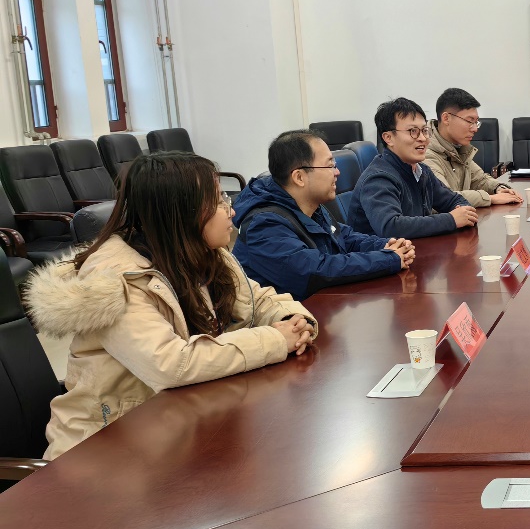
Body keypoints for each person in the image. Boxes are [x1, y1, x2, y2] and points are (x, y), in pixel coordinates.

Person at [24, 151, 318, 459]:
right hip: (104, 450)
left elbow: (257, 299)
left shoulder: (203, 253)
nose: (231, 210)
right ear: (180, 212)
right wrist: (275, 339)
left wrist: (295, 320)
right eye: (218, 201)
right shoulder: (115, 280)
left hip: (176, 426)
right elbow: (171, 364)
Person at [231, 129, 415, 300]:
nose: (337, 172)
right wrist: (388, 259)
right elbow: (315, 271)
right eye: (330, 166)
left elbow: (344, 238)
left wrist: (386, 245)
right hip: (287, 320)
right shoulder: (264, 224)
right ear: (299, 177)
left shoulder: (308, 204)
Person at [346, 97, 479, 238]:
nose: (423, 138)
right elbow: (391, 227)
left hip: (417, 248)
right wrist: (451, 220)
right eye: (413, 131)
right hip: (380, 251)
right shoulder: (378, 178)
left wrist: (464, 212)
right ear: (388, 138)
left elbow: (453, 200)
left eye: (424, 130)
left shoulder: (421, 170)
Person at [425, 88, 523, 207]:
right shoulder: (425, 154)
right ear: (446, 118)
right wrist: (490, 198)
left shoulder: (458, 148)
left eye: (476, 122)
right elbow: (445, 198)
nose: (475, 129)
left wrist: (499, 188)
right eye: (469, 121)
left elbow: (480, 180)